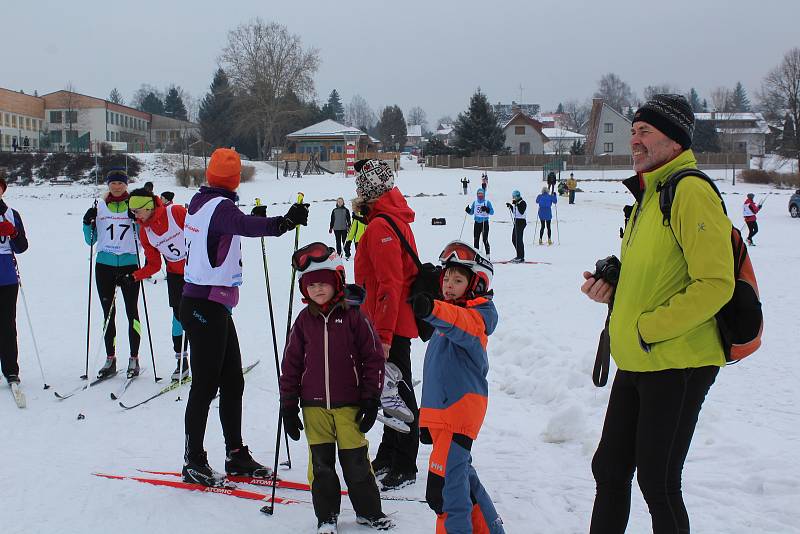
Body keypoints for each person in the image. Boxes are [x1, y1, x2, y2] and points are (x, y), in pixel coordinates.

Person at [580, 94, 734, 534]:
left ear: (674, 140)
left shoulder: (690, 191)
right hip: (638, 357)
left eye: (644, 132)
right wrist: (613, 288)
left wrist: (648, 328)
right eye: (633, 131)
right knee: (609, 469)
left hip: (678, 360)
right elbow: (658, 275)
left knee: (657, 480)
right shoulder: (651, 194)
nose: (634, 140)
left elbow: (716, 284)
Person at [180, 148, 309, 487]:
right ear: (234, 179)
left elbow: (230, 227)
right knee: (206, 385)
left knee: (233, 381)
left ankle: (235, 453)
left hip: (213, 305)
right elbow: (240, 224)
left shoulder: (203, 201)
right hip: (203, 304)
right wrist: (283, 223)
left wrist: (256, 219)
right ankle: (193, 459)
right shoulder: (220, 207)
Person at [280, 242, 395, 532]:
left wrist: (371, 398)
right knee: (321, 466)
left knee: (356, 463)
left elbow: (373, 358)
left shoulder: (355, 317)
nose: (317, 289)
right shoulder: (304, 321)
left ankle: (368, 511)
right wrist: (288, 403)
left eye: (323, 283)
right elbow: (291, 364)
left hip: (349, 406)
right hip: (313, 407)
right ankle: (326, 516)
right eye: (310, 285)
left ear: (337, 282)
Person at [411, 240, 505, 534]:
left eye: (458, 279)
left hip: (458, 416)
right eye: (447, 278)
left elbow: (458, 321)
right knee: (463, 480)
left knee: (444, 496)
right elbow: (437, 374)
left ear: (476, 284)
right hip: (444, 417)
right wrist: (426, 417)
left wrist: (433, 308)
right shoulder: (446, 322)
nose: (449, 284)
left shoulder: (473, 321)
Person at [352, 158, 420, 491]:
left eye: (360, 189)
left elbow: (390, 285)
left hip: (390, 326)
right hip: (388, 322)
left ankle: (405, 463)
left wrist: (383, 336)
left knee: (399, 395)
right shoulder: (390, 218)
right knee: (389, 392)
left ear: (369, 191)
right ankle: (389, 452)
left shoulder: (381, 226)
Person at [124, 188, 189, 380]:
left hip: (198, 273)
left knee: (205, 317)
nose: (133, 215)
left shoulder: (175, 212)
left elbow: (201, 233)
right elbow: (154, 264)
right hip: (175, 276)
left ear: (147, 207)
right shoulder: (145, 232)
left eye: (136, 211)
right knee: (178, 319)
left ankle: (215, 359)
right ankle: (182, 362)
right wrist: (133, 276)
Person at [82, 169, 141, 379]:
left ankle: (134, 358)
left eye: (120, 183)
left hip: (129, 264)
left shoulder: (134, 205)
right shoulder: (99, 206)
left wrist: (138, 220)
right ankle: (110, 358)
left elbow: (143, 236)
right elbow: (91, 240)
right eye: (113, 183)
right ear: (108, 185)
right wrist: (85, 223)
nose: (116, 186)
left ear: (126, 184)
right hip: (105, 265)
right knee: (108, 314)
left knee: (132, 312)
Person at [0, 178, 29, 385]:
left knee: (7, 325)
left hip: (6, 276)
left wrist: (14, 232)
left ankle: (11, 370)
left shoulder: (11, 214)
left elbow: (22, 247)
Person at [466, 189, 493, 257]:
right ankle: (476, 255)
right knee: (476, 239)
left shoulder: (487, 202)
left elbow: (492, 212)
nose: (480, 195)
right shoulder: (475, 202)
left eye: (481, 194)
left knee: (485, 239)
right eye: (479, 194)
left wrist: (487, 209)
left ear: (484, 195)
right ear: (477, 194)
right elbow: (472, 212)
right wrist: (468, 210)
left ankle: (488, 256)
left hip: (484, 222)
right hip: (477, 223)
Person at [506, 190, 527, 262]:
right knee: (514, 239)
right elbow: (515, 213)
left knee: (519, 239)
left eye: (514, 197)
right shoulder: (517, 203)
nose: (513, 198)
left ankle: (521, 257)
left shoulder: (523, 203)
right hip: (516, 222)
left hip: (521, 222)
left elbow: (521, 212)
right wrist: (511, 206)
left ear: (517, 196)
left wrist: (516, 204)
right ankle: (519, 255)